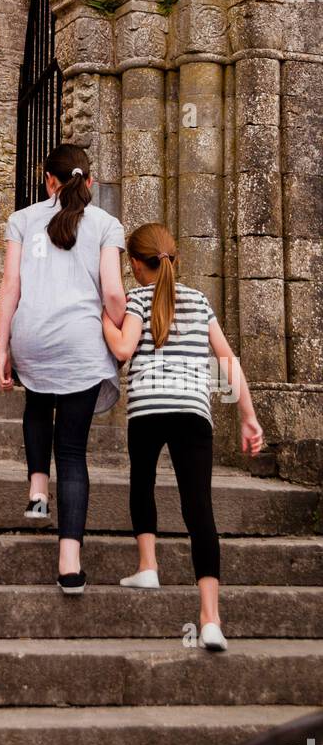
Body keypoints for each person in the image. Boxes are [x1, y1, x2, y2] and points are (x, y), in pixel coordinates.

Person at [101, 222, 264, 651]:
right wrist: (248, 416)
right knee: (199, 508)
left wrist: (103, 317)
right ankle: (210, 618)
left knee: (143, 484)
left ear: (136, 264)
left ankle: (148, 565)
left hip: (149, 409)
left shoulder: (136, 298)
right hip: (193, 411)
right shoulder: (199, 300)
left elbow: (122, 350)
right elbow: (226, 359)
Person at [0, 144, 127, 594]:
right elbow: (112, 293)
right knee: (71, 452)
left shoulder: (22, 219)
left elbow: (10, 286)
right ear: (87, 181)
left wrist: (2, 348)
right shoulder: (107, 225)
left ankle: (37, 492)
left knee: (37, 402)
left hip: (30, 335)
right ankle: (69, 564)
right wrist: (120, 327)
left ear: (48, 181)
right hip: (80, 342)